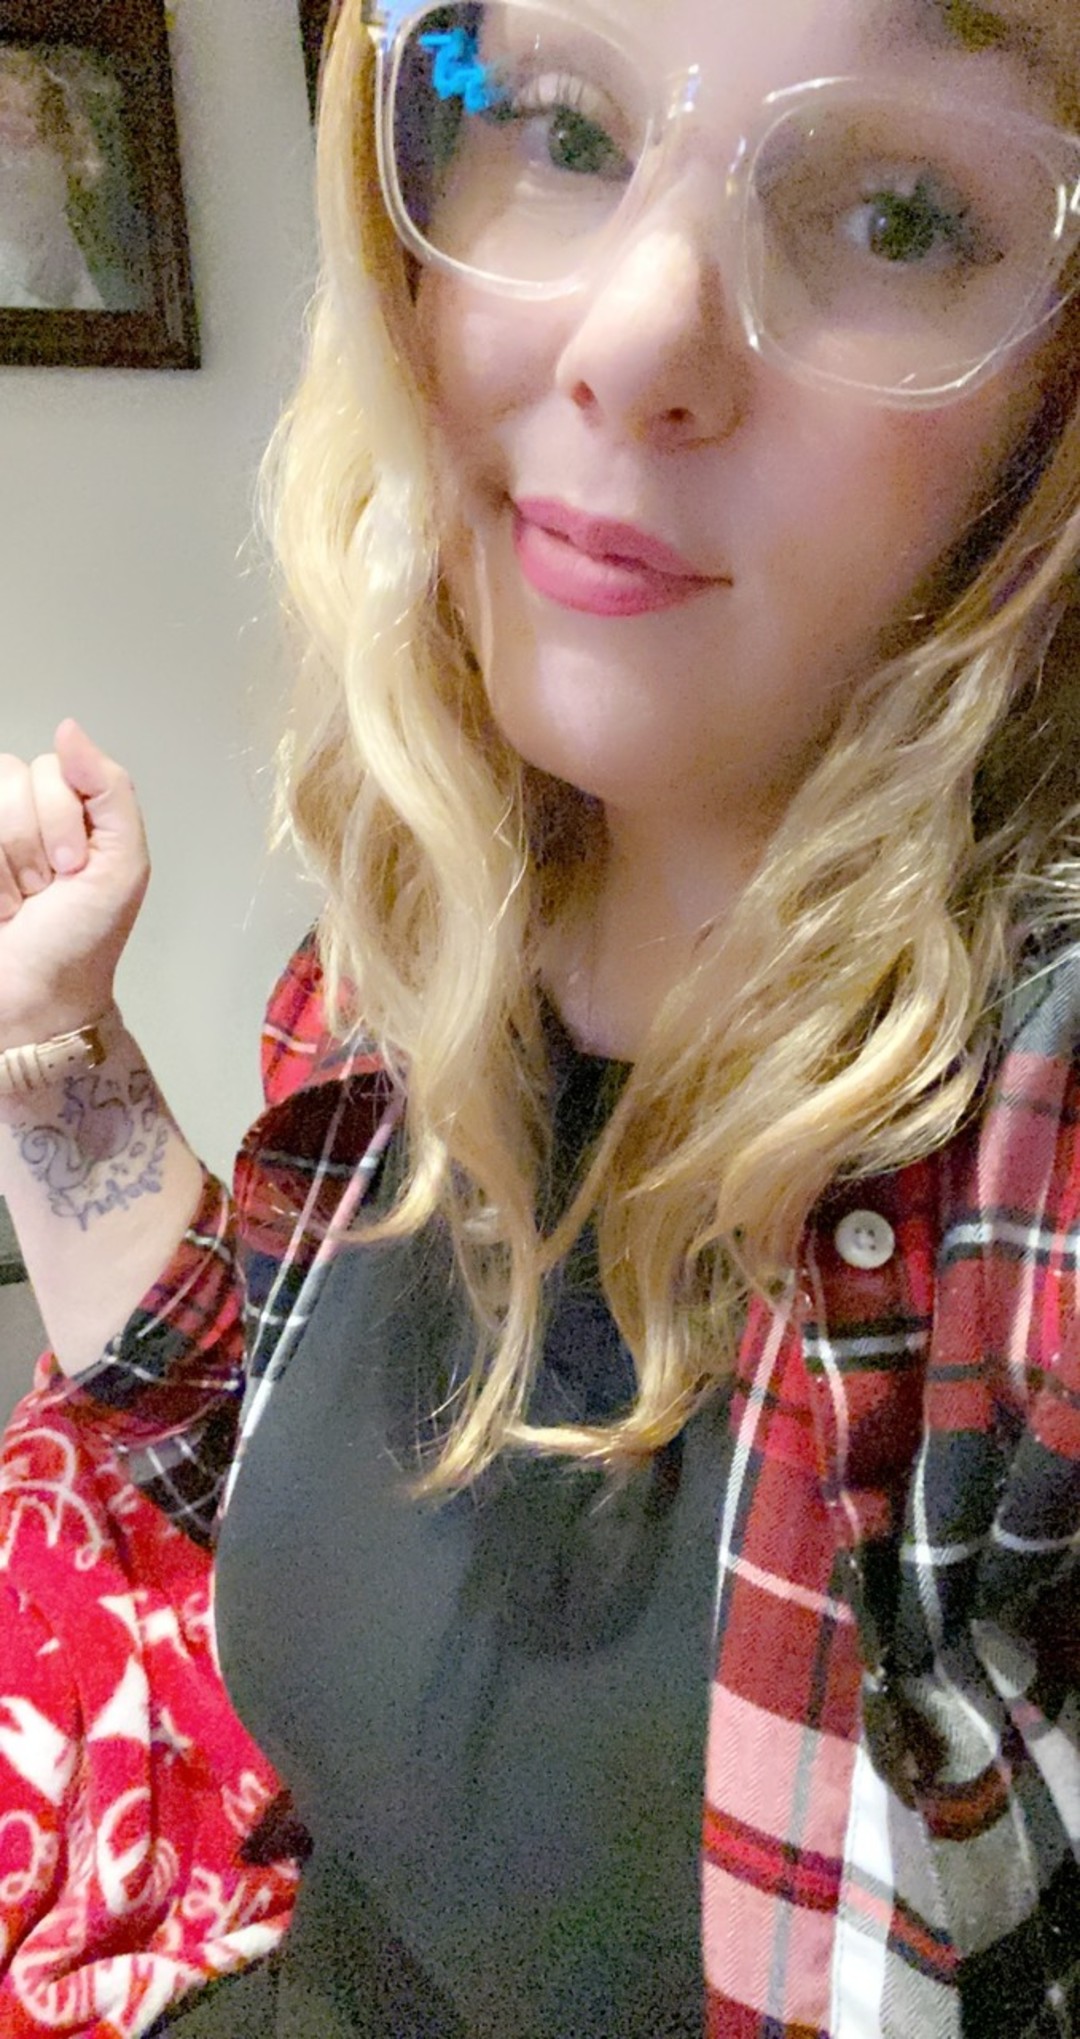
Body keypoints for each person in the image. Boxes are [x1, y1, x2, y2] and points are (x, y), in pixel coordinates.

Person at [1, 0, 1079, 2031]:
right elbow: (275, 1473)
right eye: (566, 128)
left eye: (901, 212)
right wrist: (49, 1048)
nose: (635, 332)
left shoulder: (1034, 1161)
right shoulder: (435, 921)